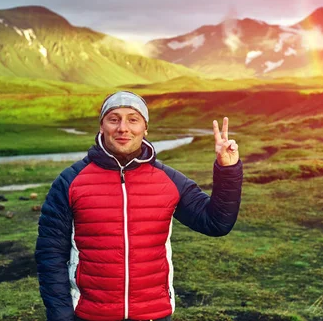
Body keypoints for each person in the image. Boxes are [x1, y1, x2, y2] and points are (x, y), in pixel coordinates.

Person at [35, 91, 243, 321]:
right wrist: (61, 316)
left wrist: (228, 169)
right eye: (114, 119)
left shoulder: (168, 180)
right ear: (101, 126)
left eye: (133, 119)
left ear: (145, 129)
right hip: (90, 314)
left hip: (154, 314)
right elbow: (50, 255)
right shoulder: (69, 182)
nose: (123, 128)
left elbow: (216, 223)